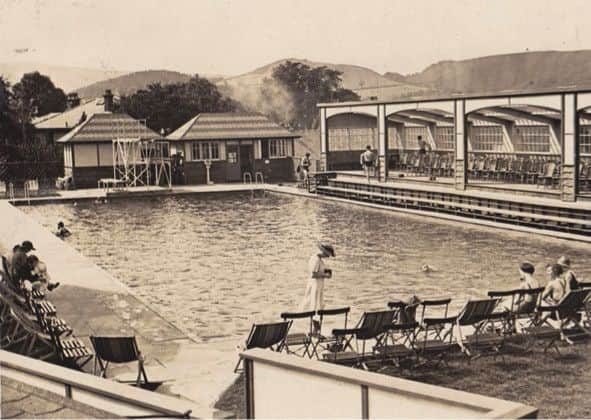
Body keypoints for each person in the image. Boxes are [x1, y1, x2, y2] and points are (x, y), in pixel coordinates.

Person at [299, 244, 335, 333]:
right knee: (313, 305)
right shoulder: (315, 259)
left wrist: (325, 273)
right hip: (315, 285)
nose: (327, 257)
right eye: (327, 255)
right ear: (324, 252)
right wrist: (325, 275)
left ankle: (316, 329)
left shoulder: (319, 260)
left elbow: (318, 271)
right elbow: (313, 274)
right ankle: (314, 328)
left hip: (318, 285)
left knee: (318, 305)